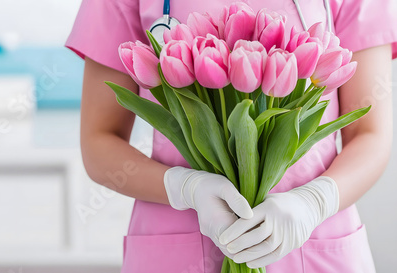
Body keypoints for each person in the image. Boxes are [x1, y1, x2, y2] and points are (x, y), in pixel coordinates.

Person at [65, 0, 397, 272]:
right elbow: (99, 141)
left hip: (316, 243)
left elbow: (369, 133)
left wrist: (315, 202)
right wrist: (185, 189)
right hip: (176, 249)